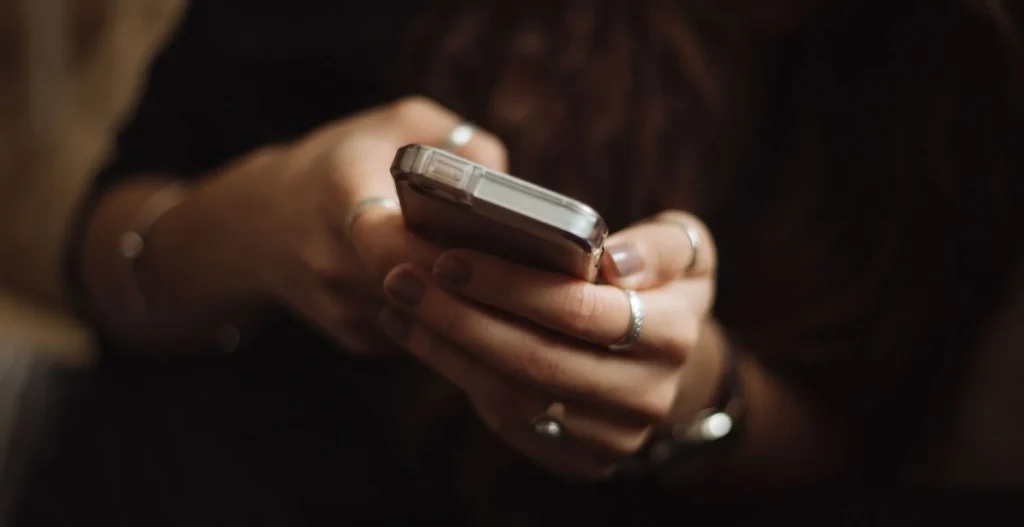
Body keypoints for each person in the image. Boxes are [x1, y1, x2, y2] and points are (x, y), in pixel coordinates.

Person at [18, 0, 1024, 525]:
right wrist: (266, 217)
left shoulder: (964, 74)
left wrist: (697, 395)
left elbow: (878, 460)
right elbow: (100, 263)